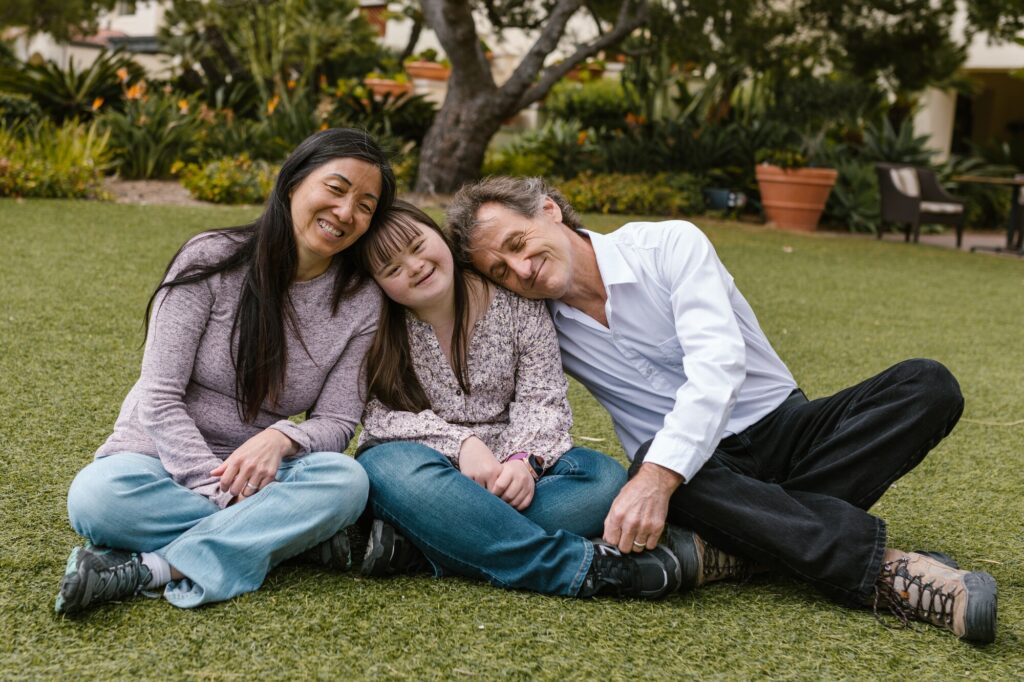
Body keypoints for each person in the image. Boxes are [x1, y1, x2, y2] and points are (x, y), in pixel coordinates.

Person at [444, 175, 998, 644]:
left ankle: (737, 550)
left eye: (517, 243)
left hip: (783, 427)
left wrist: (657, 480)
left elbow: (719, 364)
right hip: (703, 478)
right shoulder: (535, 322)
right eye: (501, 271)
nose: (520, 270)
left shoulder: (667, 244)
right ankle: (889, 570)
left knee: (928, 385)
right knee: (657, 463)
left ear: (549, 210)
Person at [55, 128, 396, 614]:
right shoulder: (211, 258)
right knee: (97, 498)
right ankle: (297, 538)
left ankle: (152, 569)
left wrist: (281, 439)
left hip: (262, 471)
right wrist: (217, 492)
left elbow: (339, 421)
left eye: (365, 206)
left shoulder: (362, 301)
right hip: (159, 458)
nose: (346, 213)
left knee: (346, 481)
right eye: (336, 189)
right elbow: (158, 395)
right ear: (292, 183)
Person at [353, 200, 685, 600]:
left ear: (437, 235)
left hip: (512, 471)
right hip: (423, 463)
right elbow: (381, 417)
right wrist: (462, 444)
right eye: (392, 269)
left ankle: (421, 544)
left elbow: (542, 398)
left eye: (418, 246)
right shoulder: (375, 325)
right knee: (383, 468)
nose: (414, 266)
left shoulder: (516, 305)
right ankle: (576, 567)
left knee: (603, 480)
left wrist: (522, 461)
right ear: (379, 284)